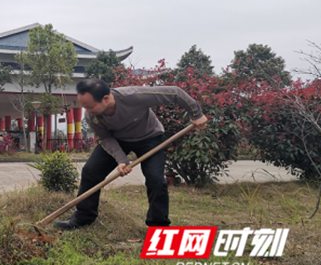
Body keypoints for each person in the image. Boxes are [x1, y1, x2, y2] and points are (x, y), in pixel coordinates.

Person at [53, 79, 208, 230]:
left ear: (105, 98)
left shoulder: (133, 96)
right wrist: (121, 160)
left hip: (149, 137)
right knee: (90, 172)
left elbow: (175, 93)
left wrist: (196, 113)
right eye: (84, 106)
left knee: (155, 179)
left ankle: (158, 225)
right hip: (117, 139)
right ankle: (83, 217)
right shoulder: (92, 116)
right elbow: (105, 138)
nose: (87, 110)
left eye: (89, 106)